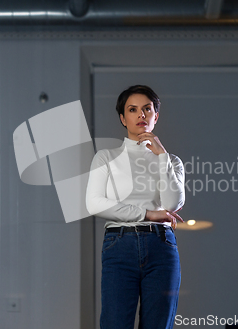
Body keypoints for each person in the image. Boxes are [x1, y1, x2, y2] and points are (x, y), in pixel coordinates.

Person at [86, 85, 186, 329]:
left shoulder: (171, 161)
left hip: (161, 246)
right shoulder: (106, 157)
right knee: (114, 323)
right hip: (119, 245)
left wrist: (161, 156)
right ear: (123, 118)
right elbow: (94, 203)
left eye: (147, 109)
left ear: (156, 116)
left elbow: (173, 203)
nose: (141, 115)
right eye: (133, 110)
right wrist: (148, 213)